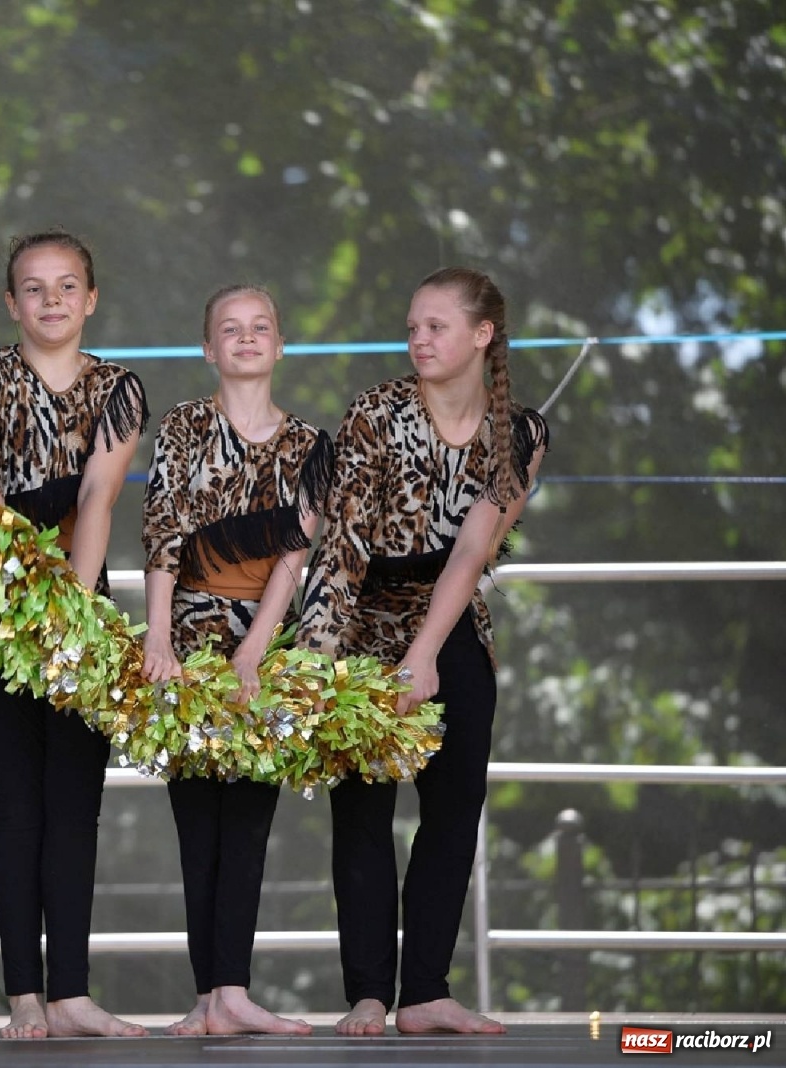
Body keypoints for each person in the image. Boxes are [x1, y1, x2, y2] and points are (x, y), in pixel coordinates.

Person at [299, 266, 549, 1036]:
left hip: (447, 623)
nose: (418, 339)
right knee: (364, 815)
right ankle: (369, 992)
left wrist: (427, 653)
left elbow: (472, 554)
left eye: (436, 326)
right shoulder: (376, 411)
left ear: (483, 334)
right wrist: (316, 658)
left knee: (453, 809)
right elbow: (339, 550)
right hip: (362, 621)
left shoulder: (522, 433)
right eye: (412, 326)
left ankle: (426, 992)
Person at [0, 229, 150, 1039]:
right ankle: (23, 996)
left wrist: (70, 616)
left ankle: (71, 992)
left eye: (68, 286)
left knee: (75, 807)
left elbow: (97, 500)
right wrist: (19, 606)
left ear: (91, 299)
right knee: (18, 807)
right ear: (11, 303)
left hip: (80, 618)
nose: (52, 300)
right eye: (34, 288)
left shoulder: (119, 388)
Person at [140, 285, 329, 1037]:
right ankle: (203, 997)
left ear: (279, 346)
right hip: (188, 633)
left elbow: (296, 552)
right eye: (231, 330)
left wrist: (257, 648)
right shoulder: (185, 425)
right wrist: (158, 635)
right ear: (209, 349)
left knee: (248, 821)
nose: (247, 339)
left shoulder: (313, 444)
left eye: (260, 329)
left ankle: (234, 989)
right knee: (198, 825)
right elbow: (162, 531)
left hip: (266, 639)